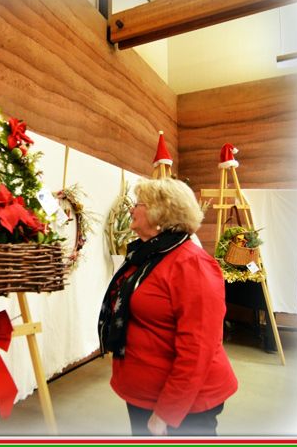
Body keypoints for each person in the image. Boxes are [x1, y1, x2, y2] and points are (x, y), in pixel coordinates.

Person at [98, 178, 238, 436]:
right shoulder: (149, 255)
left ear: (159, 213)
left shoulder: (192, 264)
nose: (131, 209)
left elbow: (198, 348)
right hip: (145, 394)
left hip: (184, 407)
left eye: (138, 204)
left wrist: (167, 412)